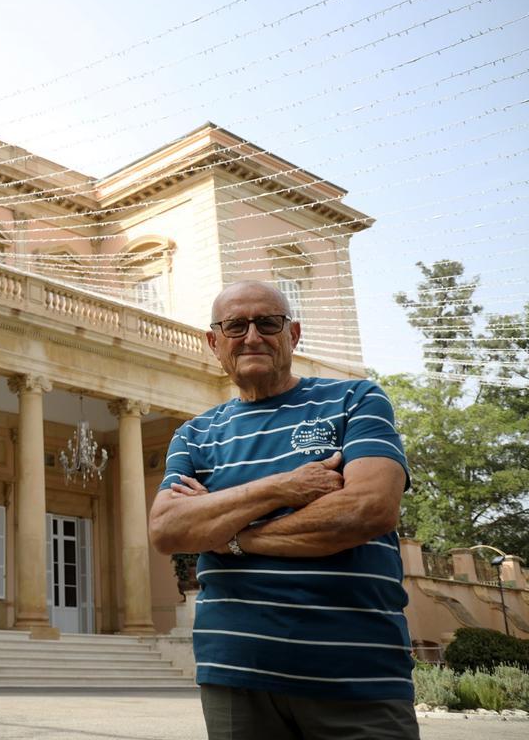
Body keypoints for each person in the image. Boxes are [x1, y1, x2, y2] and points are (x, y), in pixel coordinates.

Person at [148, 280, 418, 740]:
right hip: (235, 674)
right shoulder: (194, 434)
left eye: (267, 323)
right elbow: (168, 531)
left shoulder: (355, 399)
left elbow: (369, 509)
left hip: (356, 674)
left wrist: (232, 535)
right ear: (215, 343)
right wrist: (286, 486)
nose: (252, 336)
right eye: (235, 326)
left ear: (292, 334)